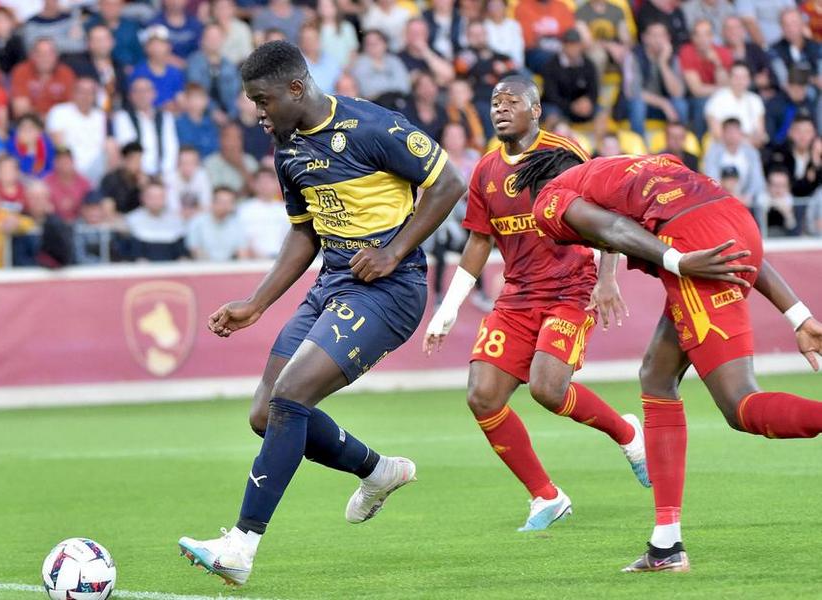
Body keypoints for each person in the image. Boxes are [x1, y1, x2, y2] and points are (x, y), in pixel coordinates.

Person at [177, 39, 465, 586]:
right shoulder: (287, 150)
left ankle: (241, 546)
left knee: (290, 395)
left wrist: (393, 251)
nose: (259, 114)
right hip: (332, 284)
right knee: (264, 415)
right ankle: (377, 471)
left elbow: (449, 184)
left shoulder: (372, 127)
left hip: (389, 289)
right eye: (252, 103)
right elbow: (304, 233)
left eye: (263, 101)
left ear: (296, 88)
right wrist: (256, 303)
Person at [510, 145, 822, 573]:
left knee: (740, 404)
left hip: (690, 246)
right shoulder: (642, 166)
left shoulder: (551, 197)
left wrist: (678, 260)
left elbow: (612, 227)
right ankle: (665, 544)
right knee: (656, 375)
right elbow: (728, 238)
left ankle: (668, 544)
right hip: (735, 218)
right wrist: (798, 315)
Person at [423, 76, 648, 532]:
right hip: (517, 297)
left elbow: (606, 215)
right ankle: (547, 496)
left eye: (512, 102)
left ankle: (627, 434)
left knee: (547, 388)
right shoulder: (486, 170)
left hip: (570, 290)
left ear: (536, 109)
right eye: (495, 102)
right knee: (482, 396)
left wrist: (607, 277)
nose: (501, 109)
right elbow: (479, 242)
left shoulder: (564, 155)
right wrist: (447, 311)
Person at [46, 77, 110, 186]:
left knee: (111, 145)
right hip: (70, 166)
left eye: (90, 92)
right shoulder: (59, 112)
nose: (86, 96)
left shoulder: (101, 116)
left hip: (97, 167)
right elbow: (59, 145)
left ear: (95, 96)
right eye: (82, 92)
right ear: (73, 93)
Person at [112, 77, 180, 178]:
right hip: (136, 175)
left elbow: (171, 147)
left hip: (164, 174)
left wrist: (165, 173)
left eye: (146, 91)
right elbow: (127, 147)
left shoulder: (166, 117)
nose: (142, 95)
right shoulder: (122, 117)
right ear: (130, 96)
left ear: (154, 93)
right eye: (137, 91)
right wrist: (142, 175)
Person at [9, 37, 78, 119]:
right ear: (32, 55)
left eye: (49, 54)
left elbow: (71, 108)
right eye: (40, 54)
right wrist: (43, 120)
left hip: (60, 123)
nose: (45, 58)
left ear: (56, 55)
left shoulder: (66, 73)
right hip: (30, 123)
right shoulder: (21, 71)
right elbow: (20, 109)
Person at [125, 179, 187, 261]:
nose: (155, 201)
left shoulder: (176, 220)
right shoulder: (132, 220)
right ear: (143, 198)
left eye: (159, 197)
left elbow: (181, 255)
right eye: (151, 197)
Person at [186, 185, 249, 261]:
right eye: (222, 202)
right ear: (212, 203)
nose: (225, 206)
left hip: (229, 266)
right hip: (203, 265)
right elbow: (195, 250)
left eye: (229, 202)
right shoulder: (197, 222)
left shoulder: (237, 224)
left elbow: (242, 253)